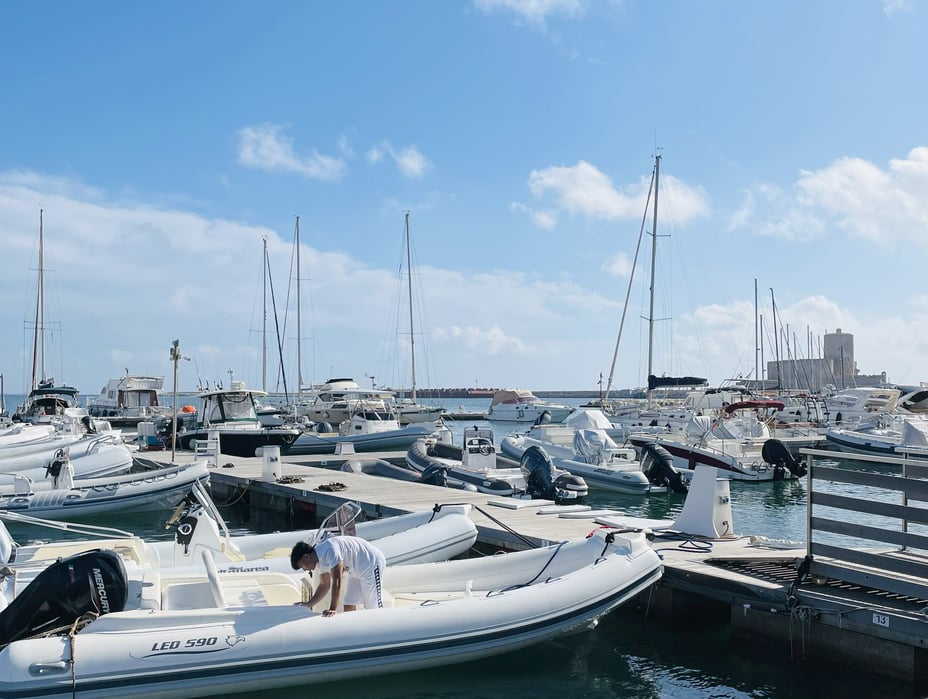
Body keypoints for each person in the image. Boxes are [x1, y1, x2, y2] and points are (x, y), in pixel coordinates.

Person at [290, 536, 385, 616]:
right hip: (355, 571)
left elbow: (337, 581)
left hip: (371, 564)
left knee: (373, 606)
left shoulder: (330, 550)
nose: (305, 570)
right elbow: (324, 585)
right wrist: (308, 604)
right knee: (349, 603)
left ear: (306, 557)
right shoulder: (319, 560)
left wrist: (332, 609)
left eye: (303, 566)